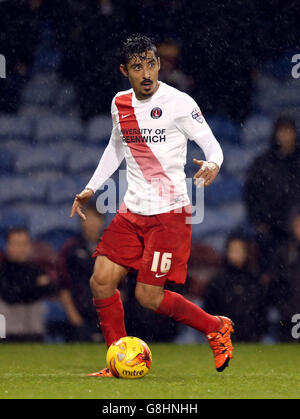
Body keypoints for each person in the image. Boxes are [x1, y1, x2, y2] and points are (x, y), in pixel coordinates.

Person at [70, 34, 234, 376]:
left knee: (147, 297)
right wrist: (91, 187)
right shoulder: (120, 104)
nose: (145, 73)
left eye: (150, 64)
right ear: (124, 71)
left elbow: (213, 147)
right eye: (136, 66)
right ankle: (117, 361)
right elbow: (116, 148)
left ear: (159, 64)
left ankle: (215, 327)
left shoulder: (180, 103)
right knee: (100, 281)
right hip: (131, 212)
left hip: (168, 216)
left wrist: (213, 165)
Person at [244, 115, 300, 270]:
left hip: (296, 229)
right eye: (282, 131)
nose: (286, 135)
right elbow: (250, 193)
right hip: (270, 230)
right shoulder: (262, 163)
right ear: (275, 133)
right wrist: (259, 221)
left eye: (289, 131)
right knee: (270, 273)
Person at [203, 234, 267, 342]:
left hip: (252, 337)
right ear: (227, 253)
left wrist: (257, 331)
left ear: (246, 253)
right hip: (223, 338)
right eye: (233, 250)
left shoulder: (255, 280)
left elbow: (262, 310)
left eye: (239, 250)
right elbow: (209, 310)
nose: (237, 255)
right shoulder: (217, 281)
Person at [57, 202, 105, 341]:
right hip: (79, 313)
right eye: (87, 217)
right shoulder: (70, 248)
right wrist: (74, 317)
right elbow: (63, 285)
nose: (91, 223)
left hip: (105, 313)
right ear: (81, 221)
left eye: (95, 218)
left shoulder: (111, 247)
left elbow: (121, 285)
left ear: (101, 221)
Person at [0, 227, 53, 339]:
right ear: (8, 246)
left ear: (29, 246)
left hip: (34, 331)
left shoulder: (36, 269)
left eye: (24, 244)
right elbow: (10, 296)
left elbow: (51, 288)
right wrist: (35, 288)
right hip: (8, 332)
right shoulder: (3, 270)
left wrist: (22, 289)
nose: (20, 248)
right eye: (16, 244)